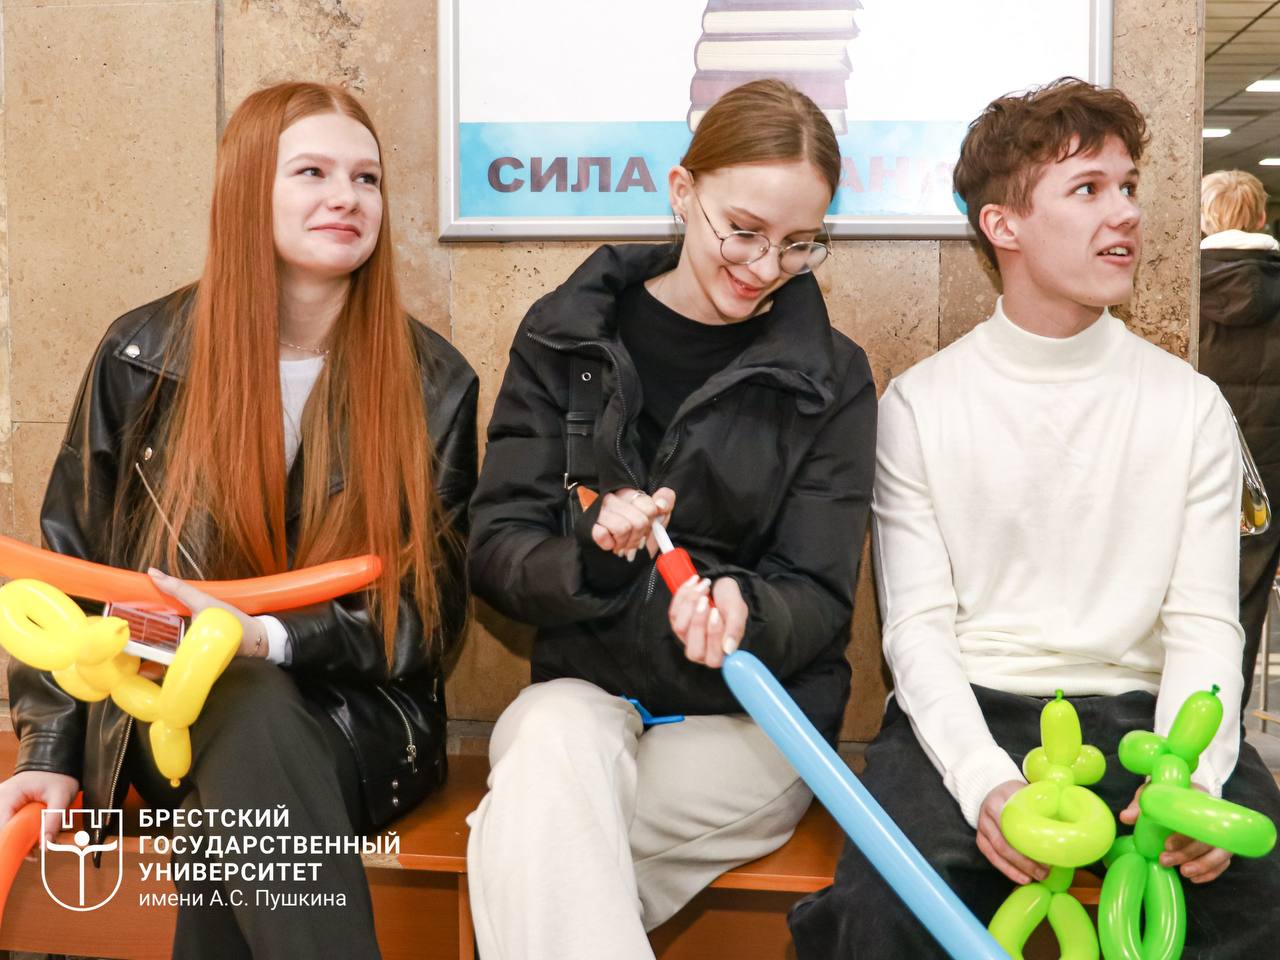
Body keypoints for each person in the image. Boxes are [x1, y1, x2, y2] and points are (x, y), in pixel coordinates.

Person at [789, 78, 1280, 958]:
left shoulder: (1192, 406)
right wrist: (985, 782)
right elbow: (917, 631)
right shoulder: (921, 407)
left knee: (1259, 897)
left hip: (1151, 717)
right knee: (880, 914)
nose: (1125, 214)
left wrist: (1192, 777)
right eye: (1087, 189)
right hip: (976, 708)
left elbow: (1207, 625)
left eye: (1128, 186)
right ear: (1003, 226)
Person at [0, 82, 478, 958]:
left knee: (240, 749)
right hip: (163, 713)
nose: (347, 197)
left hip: (357, 722)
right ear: (246, 189)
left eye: (367, 179)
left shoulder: (433, 383)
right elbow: (69, 565)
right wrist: (48, 751)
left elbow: (428, 617)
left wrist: (265, 638)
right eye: (313, 172)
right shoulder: (141, 356)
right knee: (236, 711)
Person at [465, 79, 876, 960]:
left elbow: (818, 594)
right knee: (549, 743)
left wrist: (740, 610)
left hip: (752, 718)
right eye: (745, 230)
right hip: (583, 695)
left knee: (528, 840)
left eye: (799, 244)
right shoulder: (564, 334)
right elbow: (496, 550)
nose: (764, 267)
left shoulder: (833, 378)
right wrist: (591, 558)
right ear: (683, 190)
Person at [1198, 168, 1280, 707]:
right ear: (1262, 217)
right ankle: (1229, 726)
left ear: (1204, 219)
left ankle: (1176, 725)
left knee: (1183, 602)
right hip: (1270, 476)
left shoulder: (1173, 286)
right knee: (1245, 606)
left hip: (1194, 466)